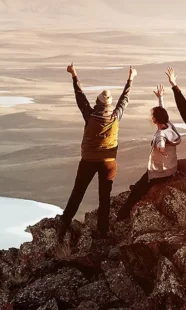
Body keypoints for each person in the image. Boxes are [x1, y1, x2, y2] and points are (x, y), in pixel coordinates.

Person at [58, 63, 136, 241]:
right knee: (104, 196)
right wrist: (131, 79)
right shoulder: (115, 116)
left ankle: (64, 222)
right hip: (109, 162)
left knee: (78, 191)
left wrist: (74, 74)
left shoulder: (90, 115)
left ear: (98, 102)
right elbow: (124, 99)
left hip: (88, 161)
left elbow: (80, 96)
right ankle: (103, 230)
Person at [116, 85, 182, 221]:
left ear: (155, 120)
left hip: (161, 172)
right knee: (142, 180)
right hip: (171, 167)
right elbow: (163, 114)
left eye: (153, 116)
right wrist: (160, 98)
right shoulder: (170, 127)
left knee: (136, 191)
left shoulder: (161, 135)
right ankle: (143, 185)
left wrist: (161, 148)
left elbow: (160, 142)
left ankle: (122, 216)